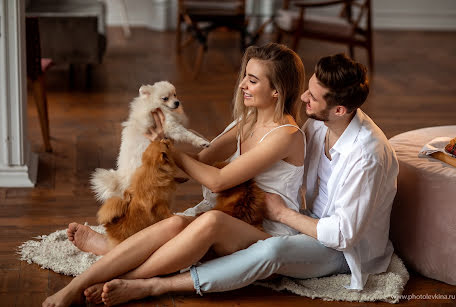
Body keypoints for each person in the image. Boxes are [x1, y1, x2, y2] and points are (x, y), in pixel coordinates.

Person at [86, 53, 399, 305]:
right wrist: (159, 147)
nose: (303, 96)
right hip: (307, 222)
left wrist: (282, 213)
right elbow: (207, 163)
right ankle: (114, 259)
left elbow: (342, 235)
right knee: (183, 225)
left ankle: (152, 285)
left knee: (268, 250)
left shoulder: (366, 156)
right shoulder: (318, 124)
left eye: (313, 97)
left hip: (345, 250)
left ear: (340, 109)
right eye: (308, 88)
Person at [42, 42, 307, 307]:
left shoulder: (285, 135)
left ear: (276, 91)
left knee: (210, 221)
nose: (242, 86)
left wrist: (167, 147)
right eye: (244, 78)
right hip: (230, 216)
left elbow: (217, 181)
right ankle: (84, 279)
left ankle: (121, 276)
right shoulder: (247, 121)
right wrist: (158, 143)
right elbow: (202, 160)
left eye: (252, 80)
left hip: (267, 231)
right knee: (175, 224)